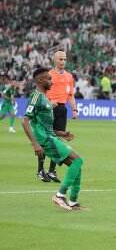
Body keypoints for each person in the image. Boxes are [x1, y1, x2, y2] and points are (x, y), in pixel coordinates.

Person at [22, 68, 86, 211]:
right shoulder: (35, 96)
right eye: (48, 78)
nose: (51, 81)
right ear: (40, 80)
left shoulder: (45, 98)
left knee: (76, 166)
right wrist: (35, 144)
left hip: (50, 136)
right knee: (78, 160)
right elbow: (25, 121)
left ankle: (73, 202)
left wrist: (61, 133)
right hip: (45, 140)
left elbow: (43, 125)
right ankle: (59, 195)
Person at [38, 51, 78, 183]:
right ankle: (40, 171)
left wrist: (74, 109)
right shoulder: (48, 75)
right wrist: (48, 104)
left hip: (61, 109)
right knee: (45, 139)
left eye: (65, 59)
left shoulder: (69, 77)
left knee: (58, 140)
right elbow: (40, 93)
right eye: (60, 59)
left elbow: (71, 95)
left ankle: (51, 171)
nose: (63, 62)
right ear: (55, 60)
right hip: (48, 110)